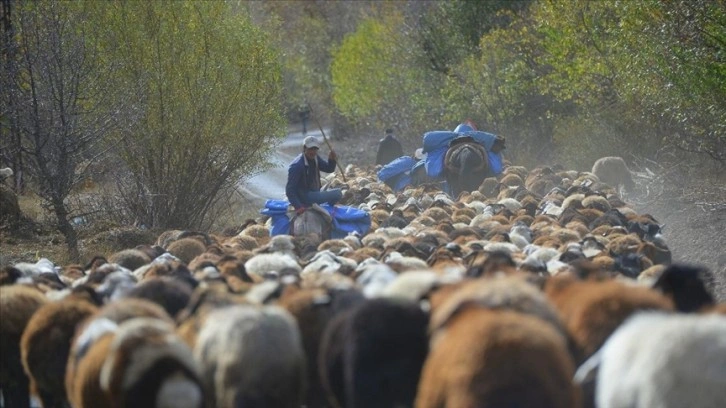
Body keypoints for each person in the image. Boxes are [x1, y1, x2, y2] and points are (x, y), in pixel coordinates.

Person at [286, 135, 342, 214]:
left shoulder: (315, 158)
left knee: (336, 190)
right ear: (304, 148)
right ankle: (321, 204)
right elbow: (289, 190)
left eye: (315, 149)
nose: (313, 152)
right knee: (338, 193)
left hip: (315, 192)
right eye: (310, 149)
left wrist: (331, 160)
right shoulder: (297, 166)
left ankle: (324, 205)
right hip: (305, 197)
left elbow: (329, 169)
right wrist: (298, 206)